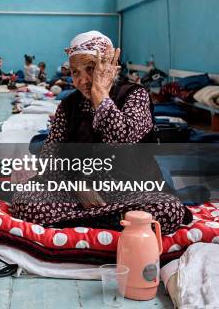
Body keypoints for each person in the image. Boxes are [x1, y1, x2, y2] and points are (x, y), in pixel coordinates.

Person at [10, 30, 191, 234]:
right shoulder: (68, 106)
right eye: (75, 72)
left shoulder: (135, 95)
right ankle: (115, 222)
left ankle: (82, 223)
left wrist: (100, 96)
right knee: (26, 200)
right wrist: (76, 185)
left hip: (132, 191)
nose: (83, 80)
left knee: (168, 209)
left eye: (91, 68)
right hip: (79, 193)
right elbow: (49, 157)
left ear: (111, 68)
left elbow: (123, 139)